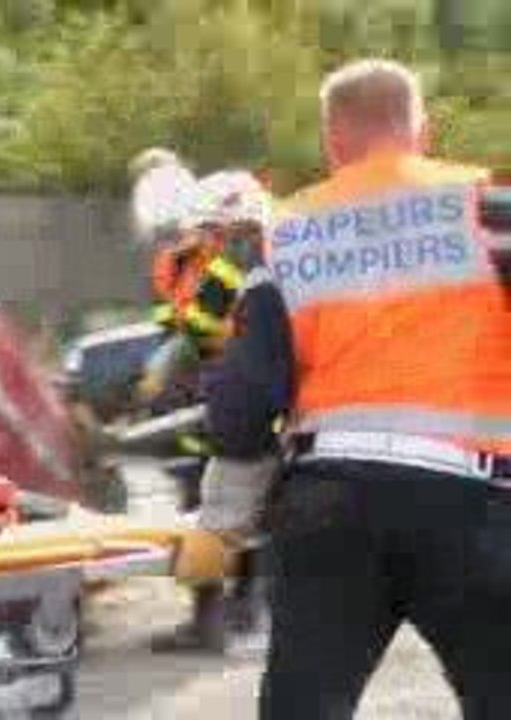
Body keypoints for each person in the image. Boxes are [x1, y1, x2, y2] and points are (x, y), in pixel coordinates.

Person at [203, 58, 511, 718]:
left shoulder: (286, 236)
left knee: (302, 705)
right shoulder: (490, 212)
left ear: (331, 143)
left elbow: (241, 401)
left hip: (329, 506)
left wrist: (224, 521)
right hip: (470, 506)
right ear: (422, 133)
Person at [141, 170, 282, 654]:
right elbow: (177, 329)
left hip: (232, 406)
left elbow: (200, 331)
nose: (201, 236)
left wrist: (178, 351)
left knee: (227, 516)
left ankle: (230, 616)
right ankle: (222, 614)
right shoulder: (197, 265)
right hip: (214, 406)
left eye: (210, 228)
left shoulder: (235, 265)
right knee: (221, 515)